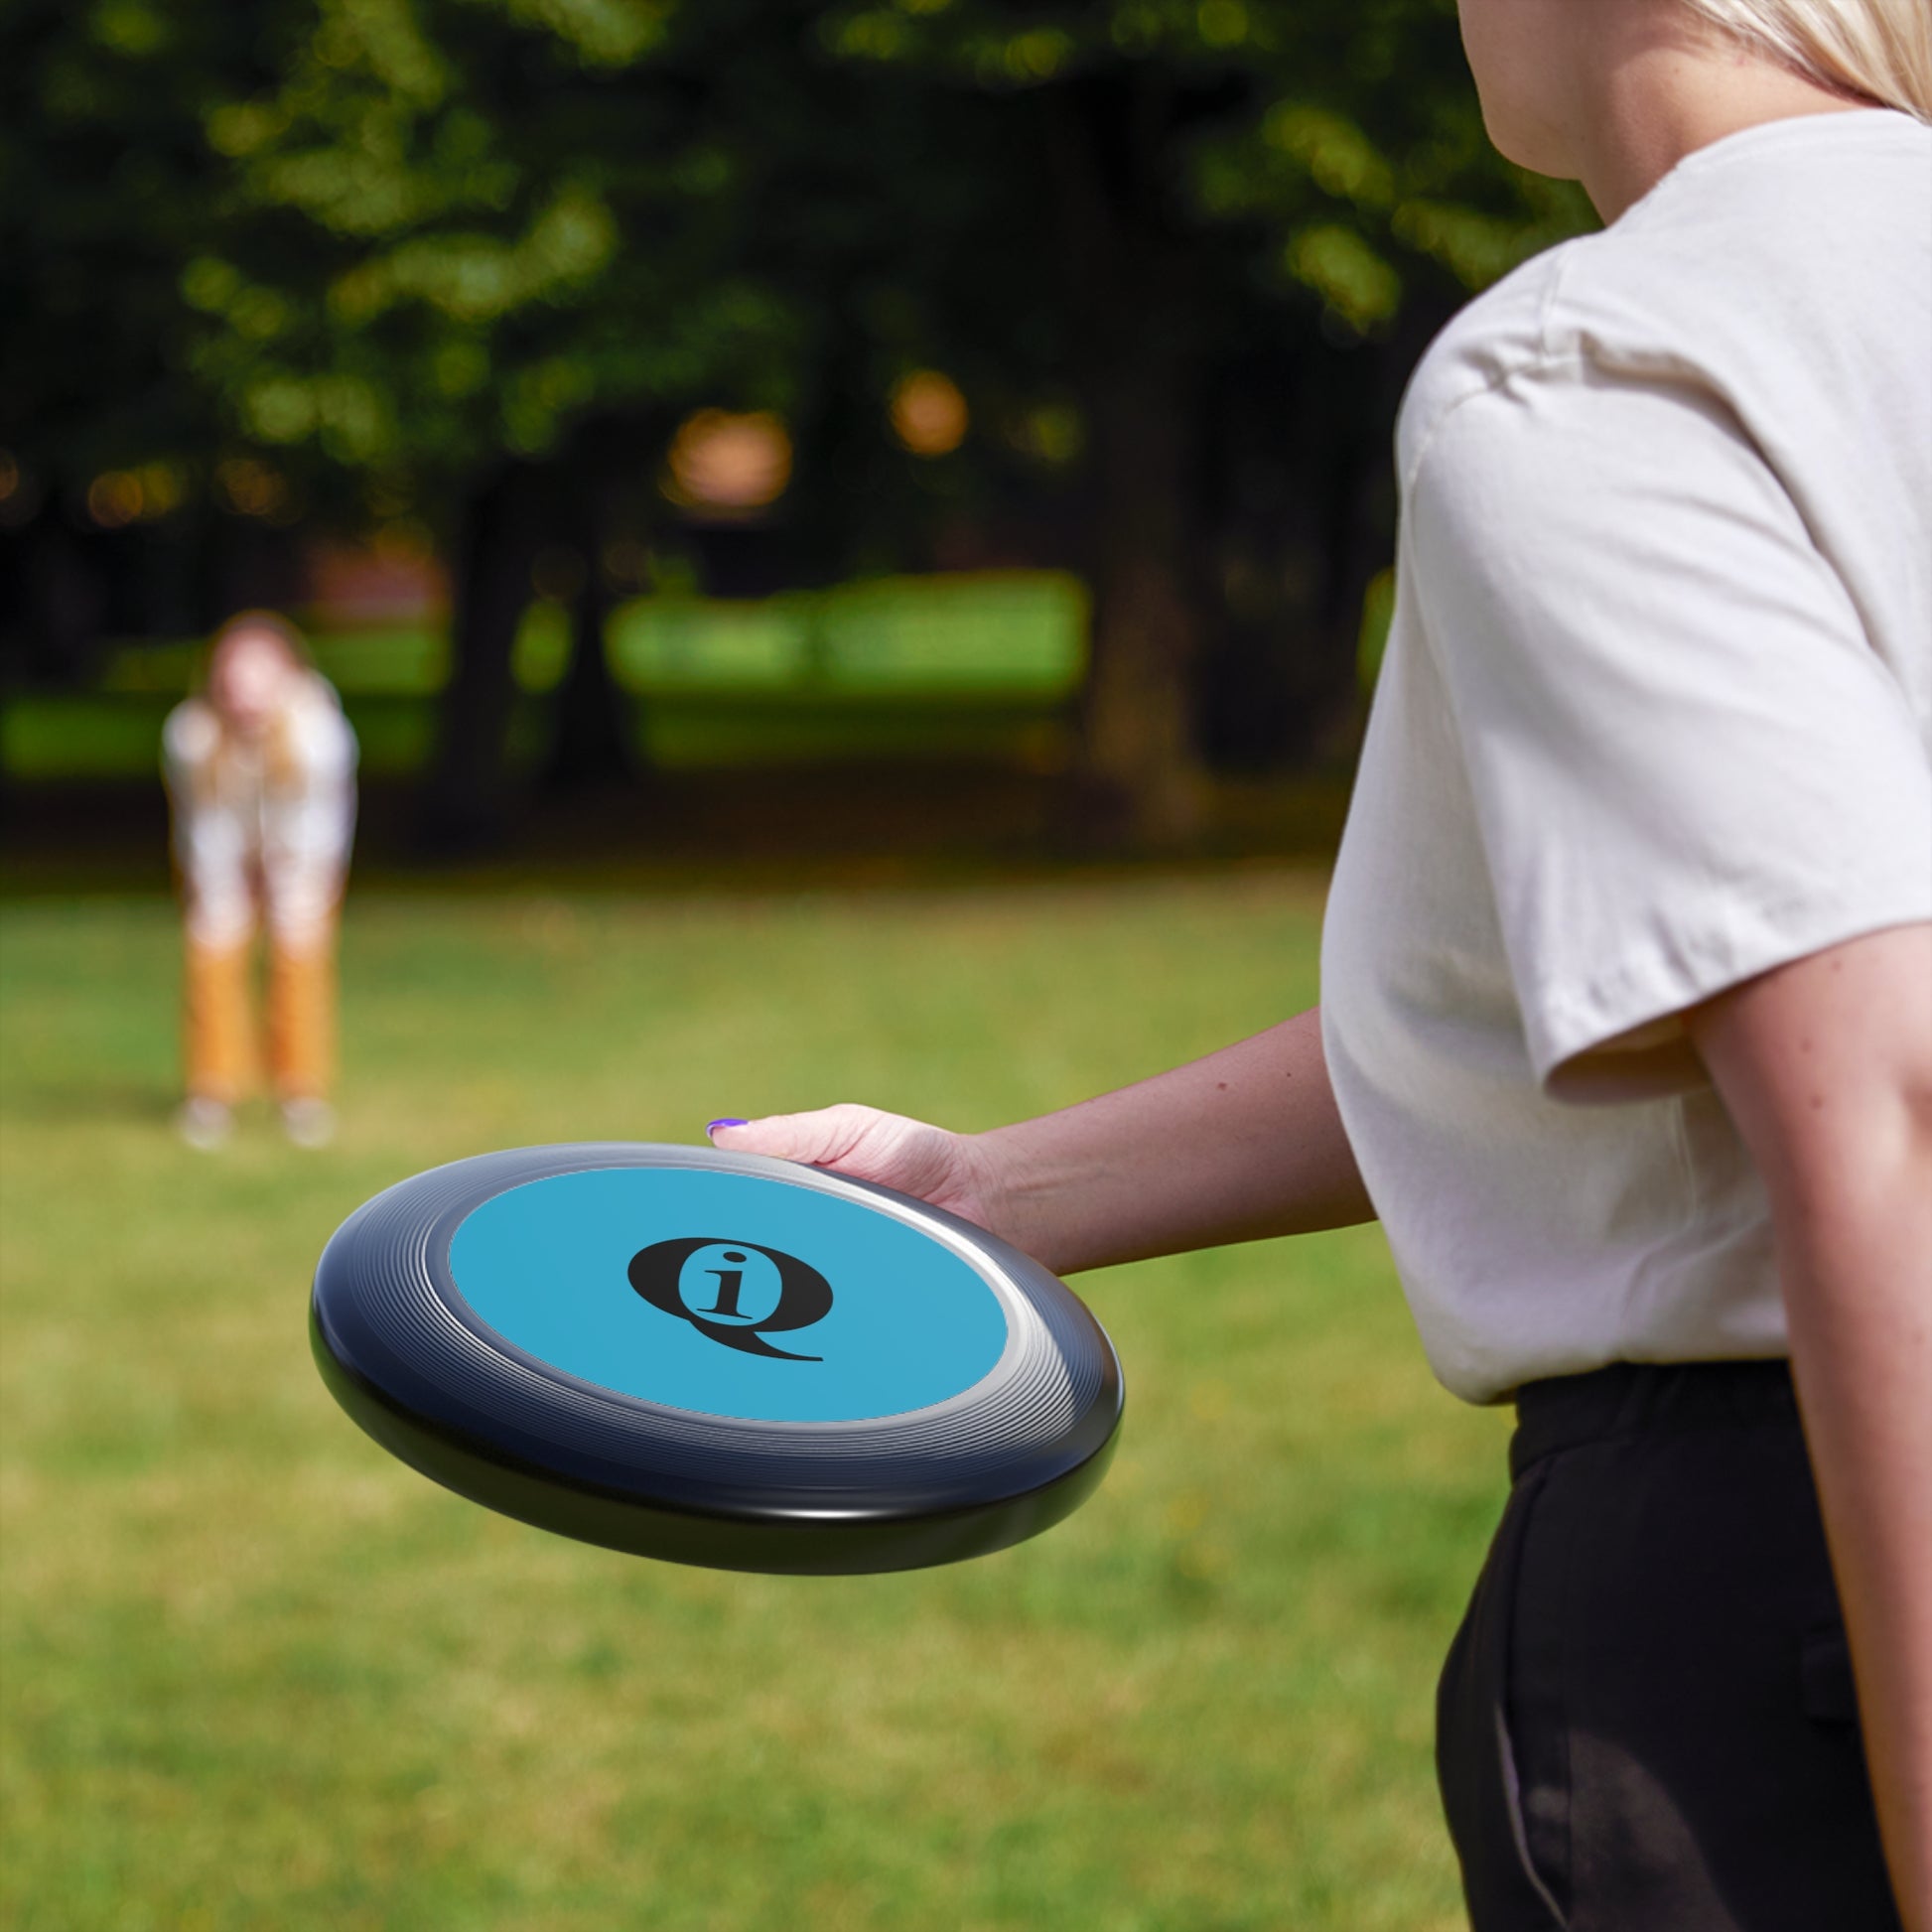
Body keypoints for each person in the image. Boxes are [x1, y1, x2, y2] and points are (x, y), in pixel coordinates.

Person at [705, 2, 1932, 1925]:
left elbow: (1886, 1106)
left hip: (1797, 1586)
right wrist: (990, 1192)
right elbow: (1646, 988)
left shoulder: (1611, 362)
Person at [163, 612, 358, 1150]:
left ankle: (300, 1092)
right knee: (212, 951)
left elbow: (318, 823)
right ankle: (211, 1091)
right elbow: (203, 823)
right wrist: (224, 887)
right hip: (222, 854)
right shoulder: (192, 735)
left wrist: (288, 879)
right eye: (234, 678)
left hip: (301, 856)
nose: (245, 694)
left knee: (299, 956)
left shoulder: (319, 735)